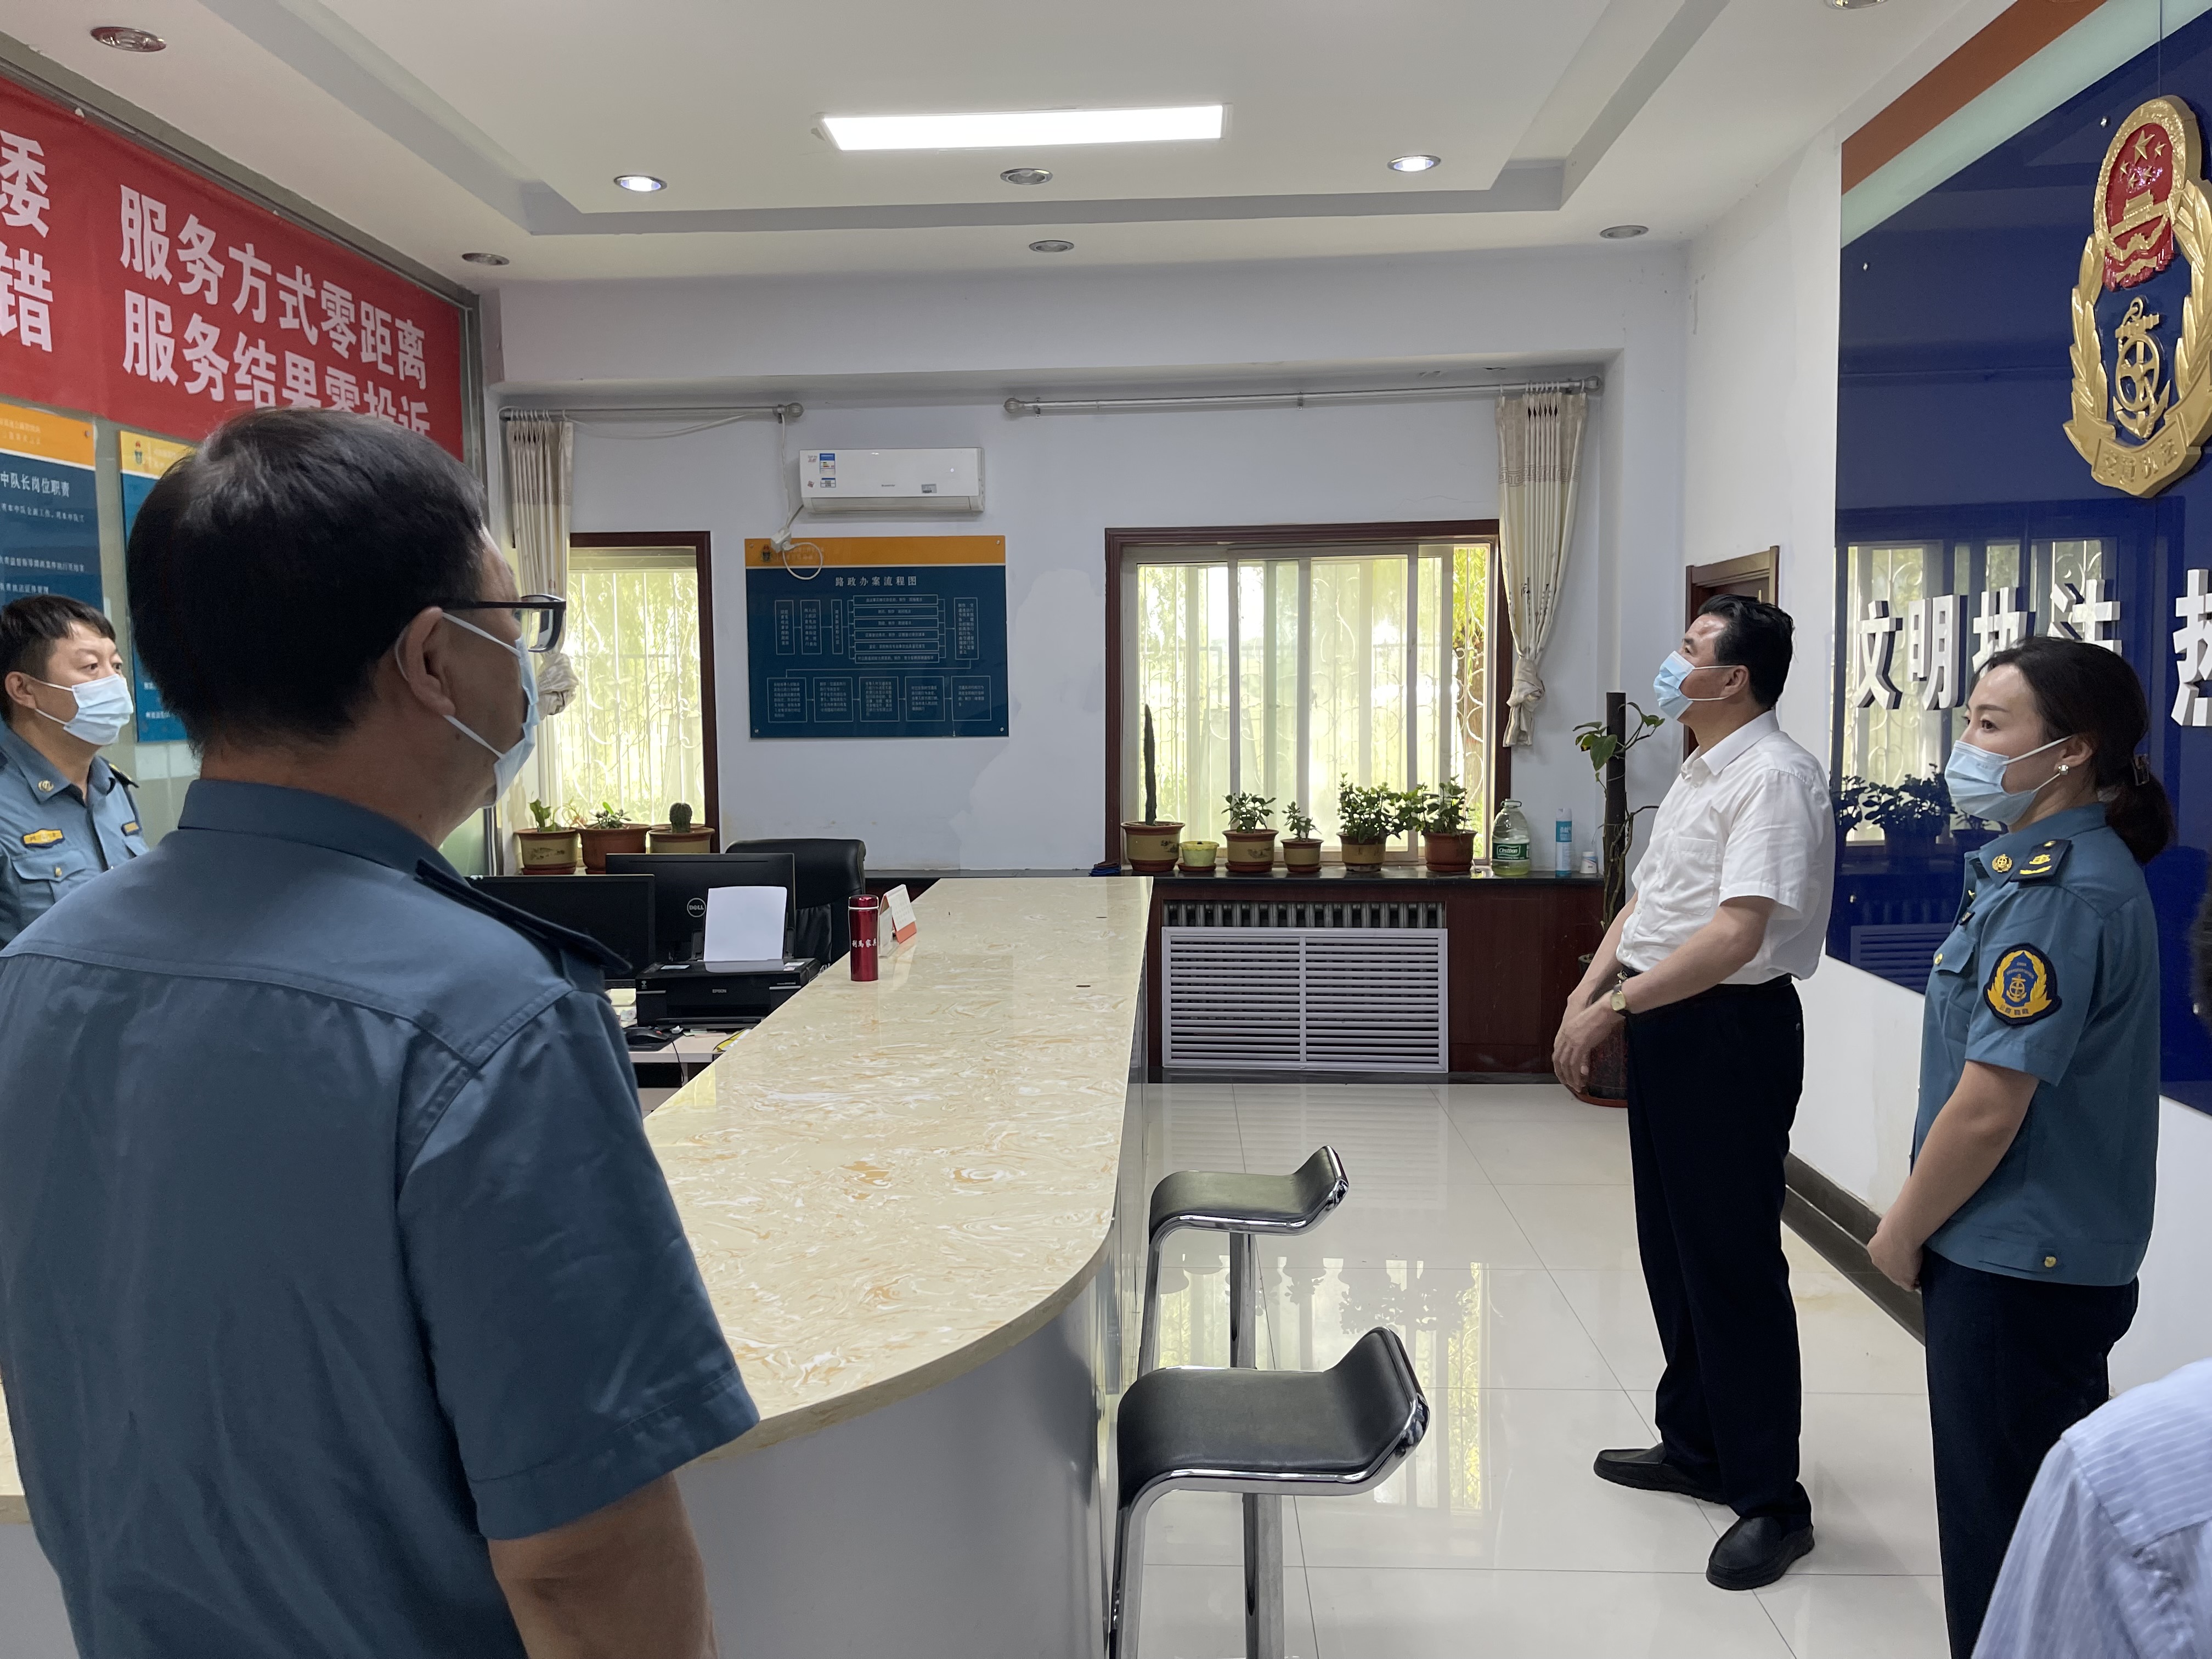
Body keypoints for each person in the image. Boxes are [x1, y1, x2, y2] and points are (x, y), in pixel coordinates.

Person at [0, 409, 756, 1659]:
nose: (531, 672)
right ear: (434, 659)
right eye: (517, 625)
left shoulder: (38, 973)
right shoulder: (487, 1017)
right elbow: (582, 1562)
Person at [1866, 636, 2170, 1659]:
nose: (1967, 743)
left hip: (2016, 1268)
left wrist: (1899, 1230)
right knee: (2030, 1538)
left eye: (1992, 725)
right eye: (1968, 719)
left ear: (2072, 749)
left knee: (2004, 1551)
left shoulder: (2058, 893)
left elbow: (1989, 1107)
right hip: (2036, 1255)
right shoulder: (2045, 870)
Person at [1553, 594, 1833, 1591]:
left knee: (1731, 1262)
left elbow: (1734, 934)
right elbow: (1651, 900)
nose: (1672, 664)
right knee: (1673, 1249)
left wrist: (1611, 1007)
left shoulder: (1774, 778)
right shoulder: (1704, 765)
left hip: (1728, 1031)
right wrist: (1588, 990)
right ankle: (1698, 1445)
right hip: (1669, 1019)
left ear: (1734, 678)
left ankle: (1771, 1499)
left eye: (1689, 649)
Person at [0, 593, 146, 945]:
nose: (115, 683)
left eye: (116, 666)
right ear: (23, 689)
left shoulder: (112, 788)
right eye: (91, 667)